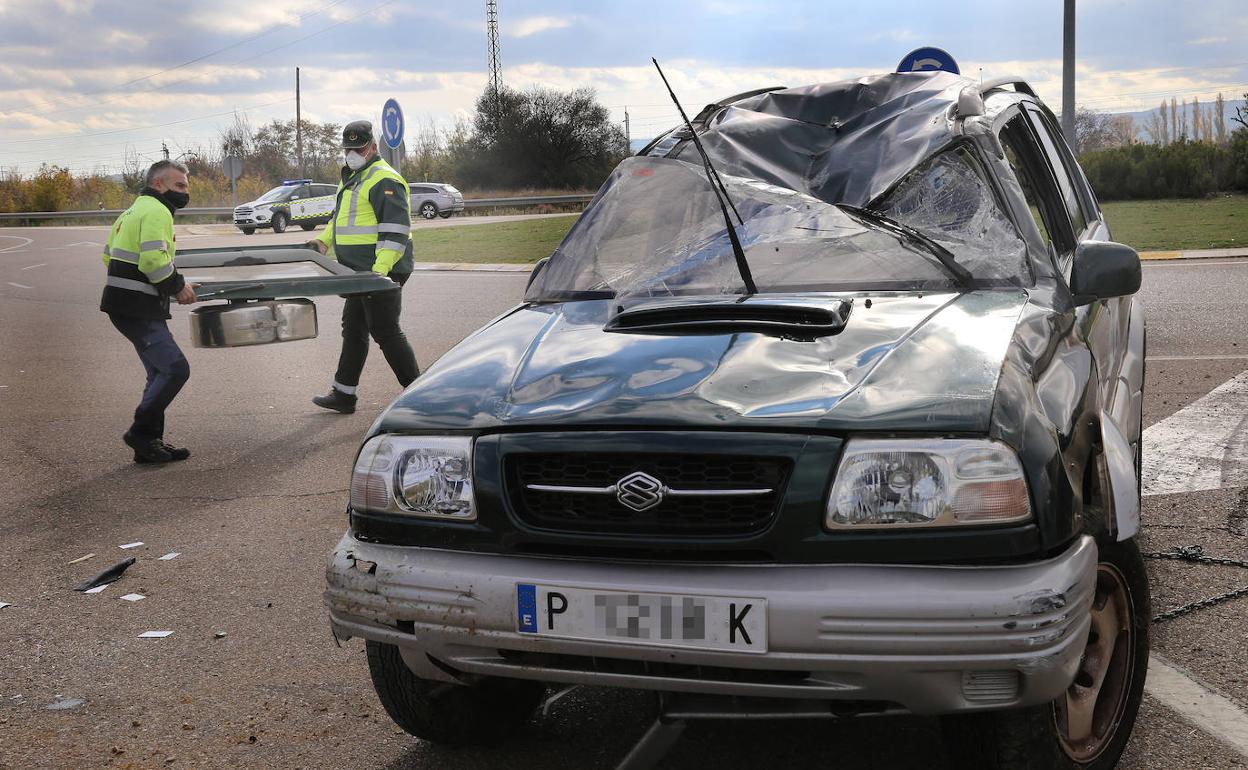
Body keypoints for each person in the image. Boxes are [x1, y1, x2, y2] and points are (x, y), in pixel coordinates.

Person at [306, 120, 418, 414]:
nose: (352, 152)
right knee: (354, 327)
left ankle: (419, 393)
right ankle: (344, 394)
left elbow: (395, 231)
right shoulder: (354, 177)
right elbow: (340, 220)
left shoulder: (383, 179)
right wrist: (323, 241)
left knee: (385, 330)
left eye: (358, 147)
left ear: (372, 147)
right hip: (359, 272)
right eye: (348, 148)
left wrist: (378, 272)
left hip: (380, 270)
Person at [100, 160, 197, 463]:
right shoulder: (157, 211)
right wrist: (177, 286)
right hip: (137, 306)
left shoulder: (132, 211)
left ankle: (150, 443)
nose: (184, 192)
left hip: (126, 304)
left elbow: (107, 256)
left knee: (158, 371)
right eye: (179, 185)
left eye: (186, 186)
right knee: (175, 369)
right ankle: (141, 433)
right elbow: (153, 261)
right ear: (158, 184)